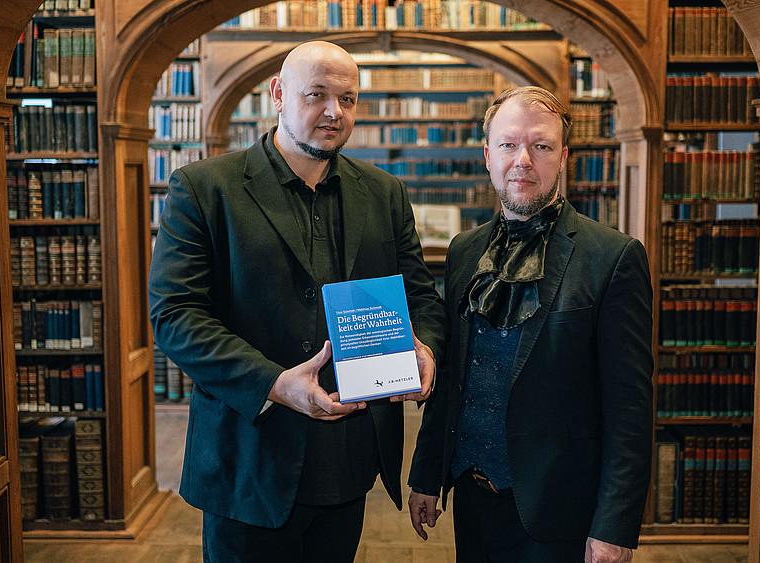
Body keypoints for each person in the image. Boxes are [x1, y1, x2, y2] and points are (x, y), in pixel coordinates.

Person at [148, 41, 446, 562]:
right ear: (278, 95)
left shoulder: (384, 194)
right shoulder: (203, 189)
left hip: (350, 459)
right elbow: (175, 317)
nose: (335, 112)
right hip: (249, 459)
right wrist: (275, 383)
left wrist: (426, 348)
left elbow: (421, 297)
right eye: (317, 95)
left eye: (348, 99)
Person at [407, 86, 653, 563]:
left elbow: (630, 410)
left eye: (540, 146)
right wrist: (425, 476)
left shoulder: (614, 258)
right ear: (486, 155)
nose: (522, 160)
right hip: (472, 500)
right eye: (507, 145)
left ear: (563, 157)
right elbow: (455, 378)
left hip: (561, 512)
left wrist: (615, 527)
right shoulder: (463, 251)